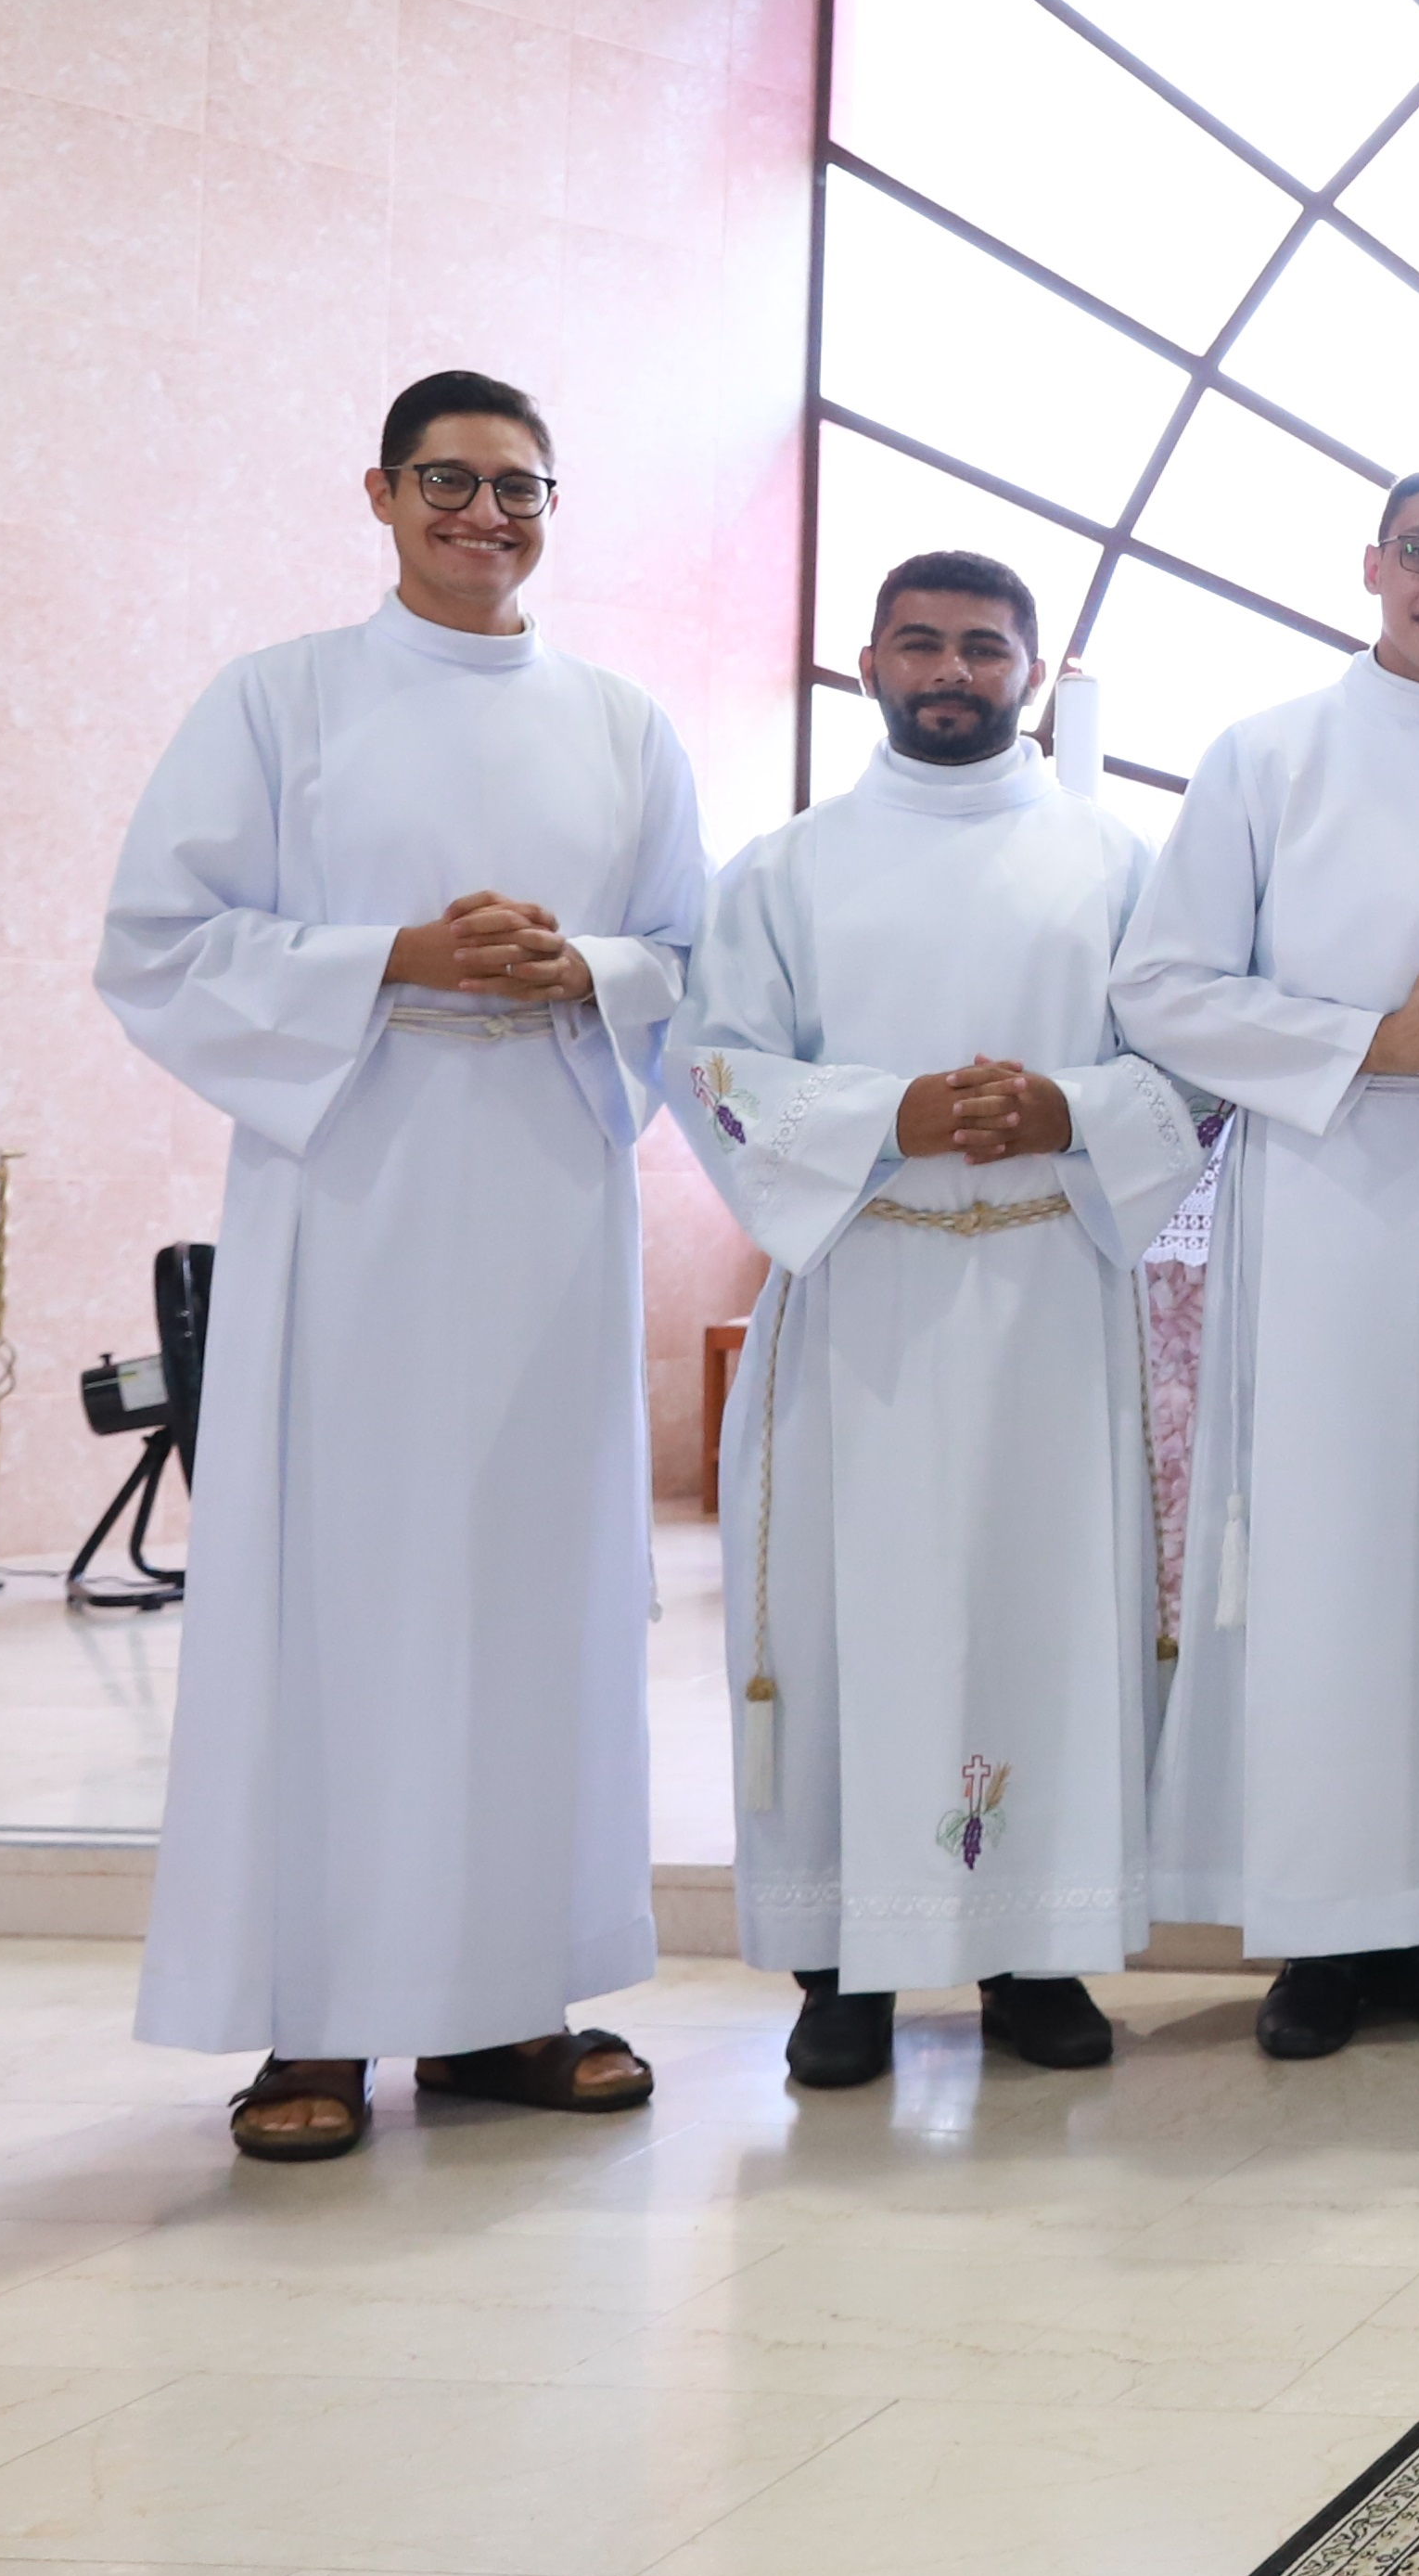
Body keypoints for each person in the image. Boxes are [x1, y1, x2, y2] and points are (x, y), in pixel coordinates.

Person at [96, 370, 707, 2161]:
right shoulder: (279, 700)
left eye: (520, 487)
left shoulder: (621, 725)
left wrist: (584, 970)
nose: (485, 514)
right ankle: (315, 2024)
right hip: (348, 1198)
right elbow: (158, 943)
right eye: (450, 479)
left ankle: (509, 2006)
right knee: (337, 1600)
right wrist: (393, 959)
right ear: (380, 493)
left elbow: (697, 958)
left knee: (528, 1598)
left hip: (543, 1194)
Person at [673, 557, 1202, 2087]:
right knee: (842, 1623)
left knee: (1045, 1612)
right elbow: (714, 1069)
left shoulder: (1116, 864)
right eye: (922, 645)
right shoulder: (783, 871)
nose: (952, 672)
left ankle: (1038, 1953)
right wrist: (890, 1115)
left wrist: (1066, 1108)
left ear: (1031, 673)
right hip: (864, 1291)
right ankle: (841, 1969)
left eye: (984, 648)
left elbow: (1190, 1061)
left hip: (1047, 1294)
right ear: (869, 664)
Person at [1116, 468, 1419, 2061]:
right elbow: (1162, 986)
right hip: (1326, 1197)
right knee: (1324, 1555)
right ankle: (1317, 1932)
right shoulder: (1270, 755)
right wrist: (1367, 1041)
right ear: (1373, 566)